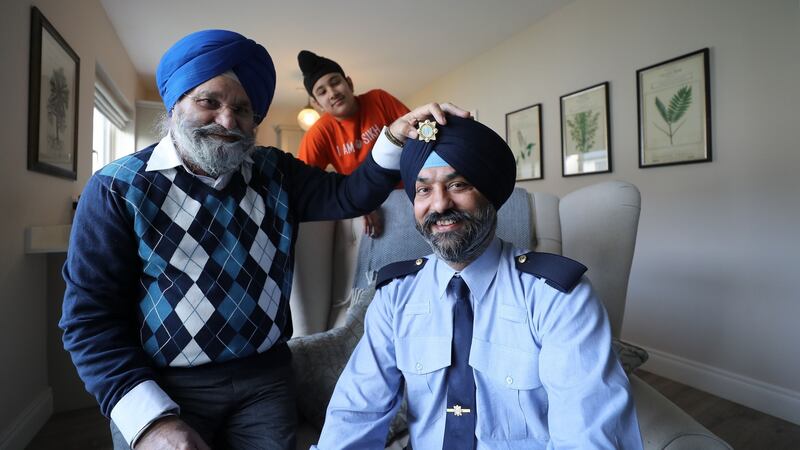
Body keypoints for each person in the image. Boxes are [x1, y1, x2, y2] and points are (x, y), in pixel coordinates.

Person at [60, 29, 467, 450]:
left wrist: (396, 136)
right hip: (163, 384)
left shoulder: (275, 171)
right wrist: (149, 423)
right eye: (209, 101)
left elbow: (350, 194)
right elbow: (88, 321)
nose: (228, 120)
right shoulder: (116, 189)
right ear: (175, 103)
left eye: (242, 108)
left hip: (265, 381)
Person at [314, 115, 644, 449]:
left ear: (490, 193)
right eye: (424, 189)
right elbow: (356, 413)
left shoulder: (558, 297)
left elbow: (587, 435)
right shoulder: (394, 295)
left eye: (458, 185)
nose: (440, 204)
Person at [296, 50, 411, 237]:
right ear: (317, 103)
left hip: (408, 190)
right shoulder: (319, 133)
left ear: (349, 83)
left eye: (335, 82)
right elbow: (305, 187)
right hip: (368, 205)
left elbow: (415, 134)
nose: (332, 93)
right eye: (322, 92)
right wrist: (357, 203)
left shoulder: (379, 99)